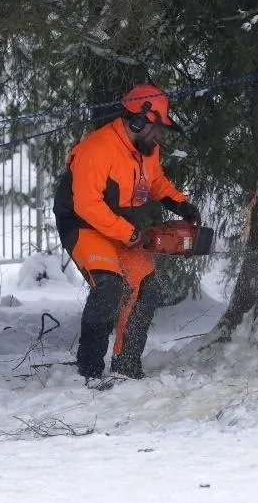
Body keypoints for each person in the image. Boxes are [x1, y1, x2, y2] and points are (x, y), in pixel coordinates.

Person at [53, 84, 201, 380]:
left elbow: (155, 181)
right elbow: (87, 204)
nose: (159, 135)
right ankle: (90, 370)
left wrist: (182, 205)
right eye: (157, 127)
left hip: (121, 225)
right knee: (109, 286)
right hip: (83, 223)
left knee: (147, 288)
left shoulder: (146, 150)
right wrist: (128, 233)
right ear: (138, 121)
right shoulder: (96, 150)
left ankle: (126, 364)